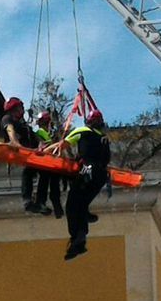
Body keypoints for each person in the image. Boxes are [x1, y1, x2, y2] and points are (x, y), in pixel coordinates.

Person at [51, 109, 111, 261]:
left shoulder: (83, 131)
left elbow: (62, 145)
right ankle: (80, 240)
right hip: (101, 175)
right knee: (82, 204)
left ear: (88, 122)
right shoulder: (103, 139)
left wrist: (43, 151)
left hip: (87, 170)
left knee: (72, 205)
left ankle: (76, 237)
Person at [1, 97, 51, 215]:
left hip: (31, 152)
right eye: (21, 107)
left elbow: (36, 138)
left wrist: (43, 145)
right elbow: (10, 130)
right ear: (14, 108)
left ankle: (40, 202)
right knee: (29, 170)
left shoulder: (24, 125)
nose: (23, 109)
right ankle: (27, 201)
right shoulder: (7, 119)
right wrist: (15, 142)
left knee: (45, 172)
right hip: (20, 152)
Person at [33, 111, 64, 219]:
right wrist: (52, 142)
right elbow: (42, 145)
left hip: (54, 162)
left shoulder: (54, 133)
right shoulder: (39, 133)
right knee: (44, 182)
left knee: (54, 185)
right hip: (45, 161)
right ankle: (41, 203)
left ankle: (57, 207)